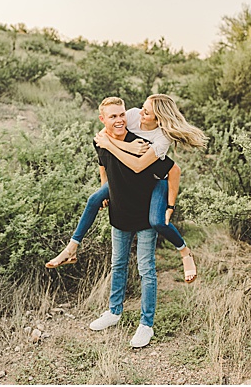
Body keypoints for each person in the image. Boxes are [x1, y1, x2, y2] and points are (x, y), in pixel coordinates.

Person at [46, 94, 207, 284]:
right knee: (94, 200)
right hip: (131, 177)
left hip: (156, 179)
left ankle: (185, 252)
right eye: (142, 107)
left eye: (146, 112)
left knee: (158, 221)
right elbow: (103, 138)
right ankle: (71, 248)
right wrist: (106, 183)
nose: (140, 113)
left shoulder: (162, 138)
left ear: (158, 118)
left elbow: (150, 166)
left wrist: (170, 206)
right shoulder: (131, 115)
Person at [84, 97, 174, 348]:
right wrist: (105, 190)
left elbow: (140, 166)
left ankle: (146, 325)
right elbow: (103, 164)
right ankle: (114, 312)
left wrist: (109, 142)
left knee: (146, 269)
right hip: (121, 208)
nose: (123, 118)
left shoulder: (159, 140)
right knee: (118, 263)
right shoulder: (130, 119)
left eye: (122, 114)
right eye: (115, 116)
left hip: (145, 207)